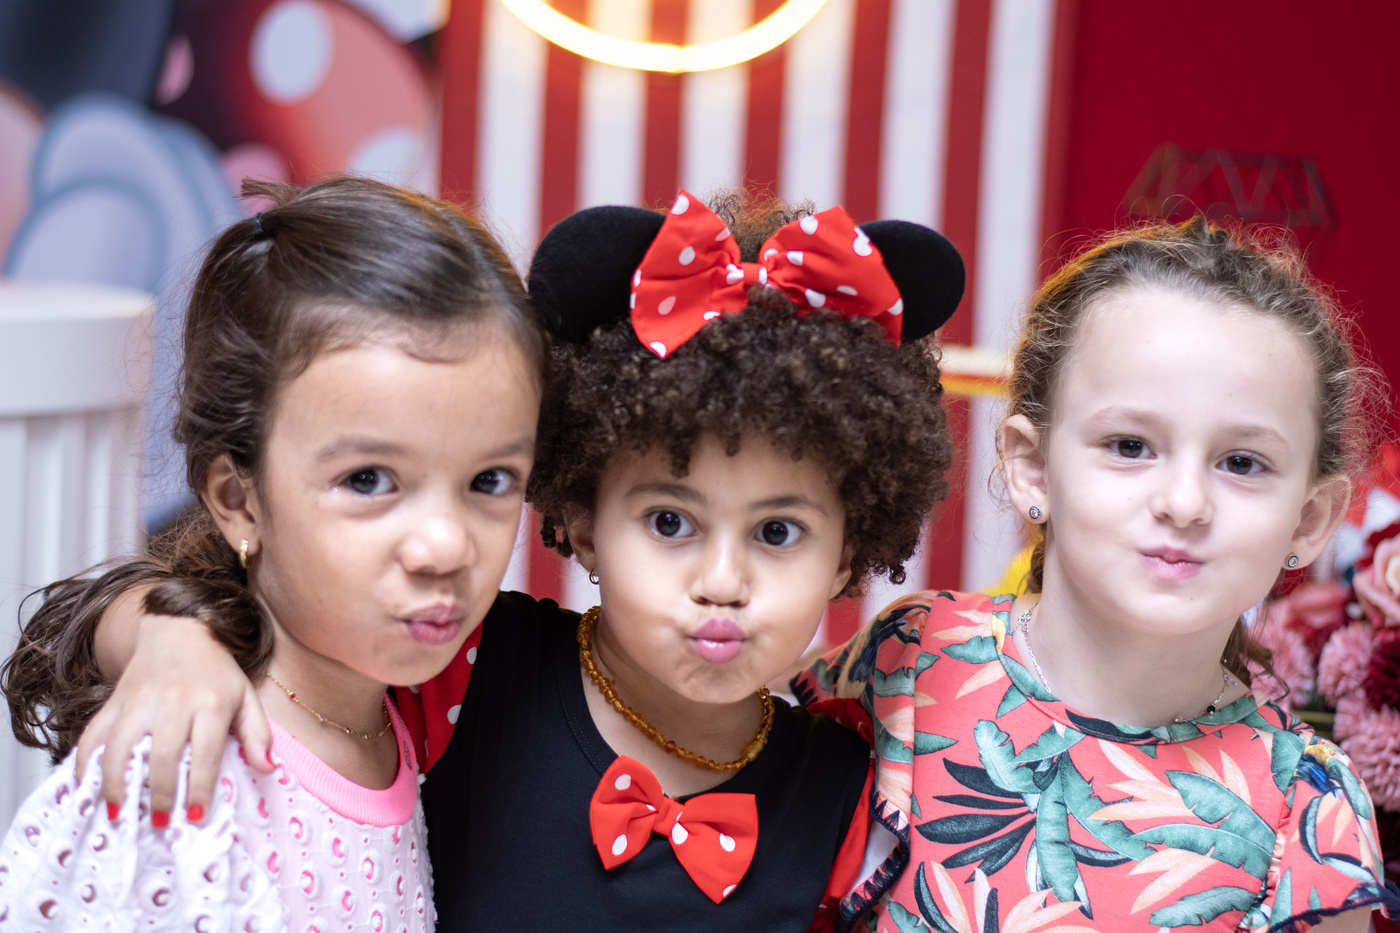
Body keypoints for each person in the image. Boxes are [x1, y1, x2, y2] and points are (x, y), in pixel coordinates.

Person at [5, 189, 967, 930]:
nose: (722, 581)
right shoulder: (467, 665)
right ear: (580, 514)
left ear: (853, 546)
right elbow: (229, 615)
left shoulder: (849, 789)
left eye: (778, 532)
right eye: (670, 522)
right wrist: (164, 635)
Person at [793, 218, 1400, 932]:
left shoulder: (1311, 808)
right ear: (1032, 467)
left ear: (1309, 518)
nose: (1184, 503)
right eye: (1130, 445)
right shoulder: (911, 659)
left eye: (1242, 462)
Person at [0, 176, 546, 931]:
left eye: (490, 480)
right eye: (368, 479)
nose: (445, 546)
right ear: (238, 499)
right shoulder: (186, 767)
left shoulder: (409, 705)